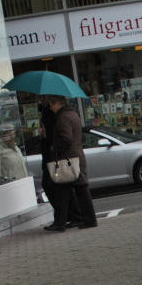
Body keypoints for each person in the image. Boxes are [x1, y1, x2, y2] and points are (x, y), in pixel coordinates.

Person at [43, 95, 97, 232]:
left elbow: (66, 138)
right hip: (76, 157)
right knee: (79, 190)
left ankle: (61, 223)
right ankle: (88, 220)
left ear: (57, 103)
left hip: (68, 159)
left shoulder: (62, 117)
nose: (50, 108)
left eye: (51, 105)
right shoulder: (73, 114)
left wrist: (54, 148)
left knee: (62, 190)